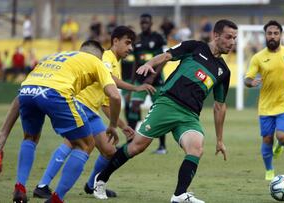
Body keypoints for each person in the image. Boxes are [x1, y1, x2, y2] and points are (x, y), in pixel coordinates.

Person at [93, 19, 238, 203]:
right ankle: (102, 178)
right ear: (216, 35)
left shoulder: (223, 71)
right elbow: (167, 55)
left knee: (196, 148)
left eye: (234, 38)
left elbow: (219, 106)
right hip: (168, 104)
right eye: (228, 37)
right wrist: (149, 64)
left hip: (190, 116)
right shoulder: (194, 47)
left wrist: (219, 140)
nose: (232, 42)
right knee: (137, 146)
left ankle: (179, 195)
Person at [0, 40, 121, 203]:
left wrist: (4, 132)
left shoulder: (53, 56)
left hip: (28, 91)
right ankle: (56, 199)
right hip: (56, 94)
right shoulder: (96, 62)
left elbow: (22, 95)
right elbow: (115, 96)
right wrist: (114, 125)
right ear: (98, 56)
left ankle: (20, 188)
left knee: (30, 138)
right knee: (86, 144)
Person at [244, 20, 284, 181]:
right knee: (267, 139)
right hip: (266, 106)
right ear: (265, 35)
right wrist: (251, 82)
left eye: (275, 33)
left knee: (283, 137)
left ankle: (281, 146)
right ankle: (269, 170)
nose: (272, 36)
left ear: (280, 35)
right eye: (269, 33)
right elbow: (247, 78)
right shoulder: (258, 57)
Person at [129, 13, 168, 154]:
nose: (144, 24)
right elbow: (135, 61)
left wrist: (152, 77)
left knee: (158, 110)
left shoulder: (158, 38)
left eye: (146, 22)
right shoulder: (137, 39)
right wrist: (133, 81)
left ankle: (162, 146)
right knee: (133, 106)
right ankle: (130, 141)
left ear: (151, 23)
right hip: (140, 81)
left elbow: (163, 59)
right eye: (142, 22)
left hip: (156, 82)